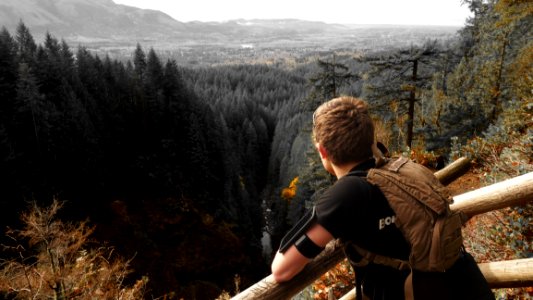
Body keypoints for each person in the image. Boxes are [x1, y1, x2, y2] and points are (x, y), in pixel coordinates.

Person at [271, 96, 494, 299]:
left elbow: (282, 269)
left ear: (323, 152)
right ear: (371, 139)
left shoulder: (346, 194)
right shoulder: (404, 168)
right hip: (466, 285)